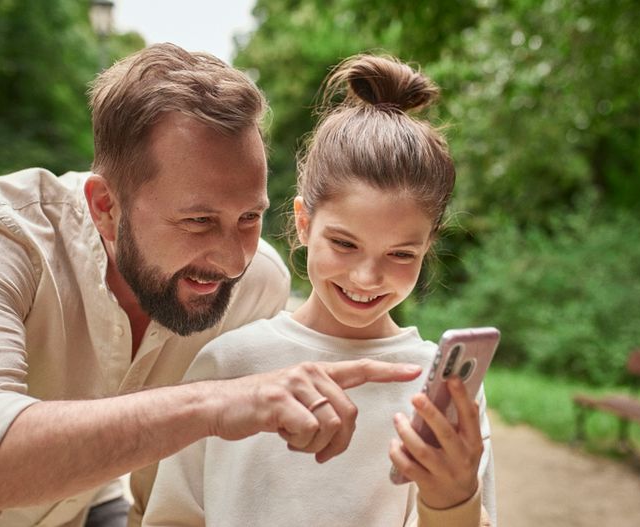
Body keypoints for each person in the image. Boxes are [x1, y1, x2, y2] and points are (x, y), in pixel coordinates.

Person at [0, 44, 423, 527]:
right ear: (106, 208)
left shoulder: (257, 286)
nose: (233, 260)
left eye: (249, 218)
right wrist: (213, 402)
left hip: (79, 512)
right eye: (198, 221)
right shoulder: (6, 232)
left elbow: (171, 496)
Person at [141, 54, 496, 527]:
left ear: (429, 246)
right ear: (304, 222)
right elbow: (173, 517)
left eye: (400, 254)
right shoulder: (228, 364)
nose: (367, 278)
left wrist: (452, 502)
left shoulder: (440, 392)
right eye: (344, 243)